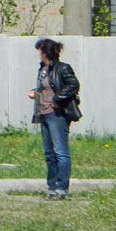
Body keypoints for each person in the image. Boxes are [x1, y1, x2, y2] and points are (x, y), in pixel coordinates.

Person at [27, 37, 79, 200]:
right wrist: (35, 93)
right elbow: (45, 88)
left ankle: (61, 188)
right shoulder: (43, 69)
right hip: (43, 113)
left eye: (40, 52)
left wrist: (57, 100)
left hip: (57, 114)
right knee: (49, 153)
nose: (39, 55)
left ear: (46, 52)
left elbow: (73, 85)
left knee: (60, 152)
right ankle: (52, 186)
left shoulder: (62, 68)